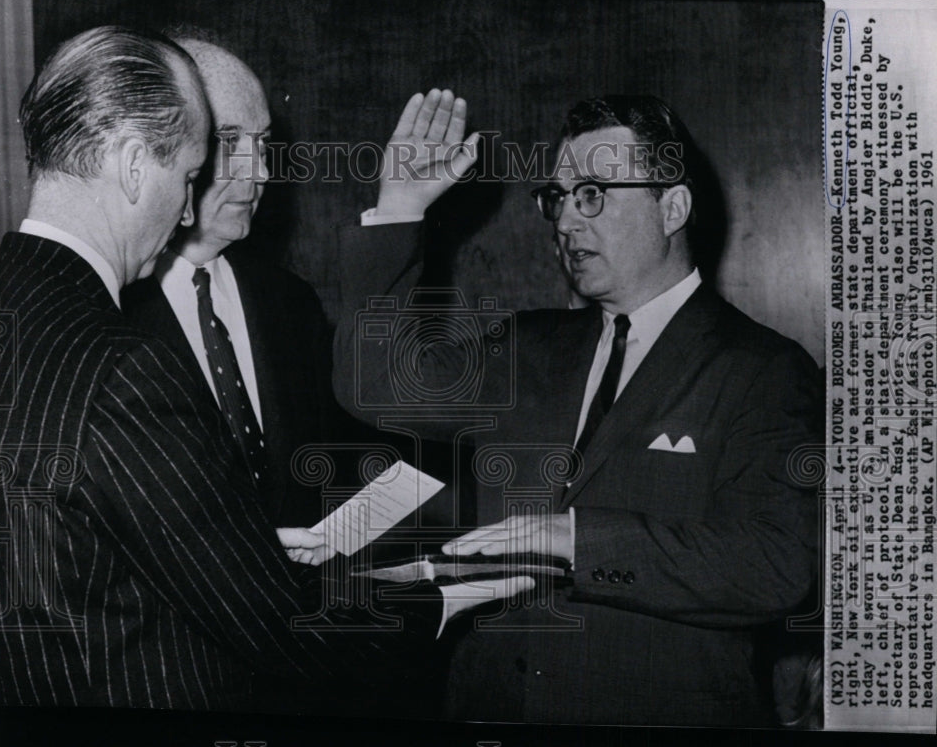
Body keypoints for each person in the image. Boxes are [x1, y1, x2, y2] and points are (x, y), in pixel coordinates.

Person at [0, 30, 529, 712]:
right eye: (192, 173)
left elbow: (52, 550)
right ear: (134, 165)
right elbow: (284, 629)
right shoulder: (126, 363)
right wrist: (447, 594)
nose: (188, 208)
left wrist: (231, 543)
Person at [332, 90, 822, 726]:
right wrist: (399, 207)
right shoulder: (528, 347)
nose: (565, 221)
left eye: (593, 194)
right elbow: (376, 384)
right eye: (558, 198)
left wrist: (579, 540)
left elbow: (777, 567)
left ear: (671, 206)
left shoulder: (765, 369)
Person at [121, 35, 359, 527]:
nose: (261, 173)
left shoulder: (292, 304)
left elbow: (327, 477)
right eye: (229, 143)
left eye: (264, 144)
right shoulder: (109, 306)